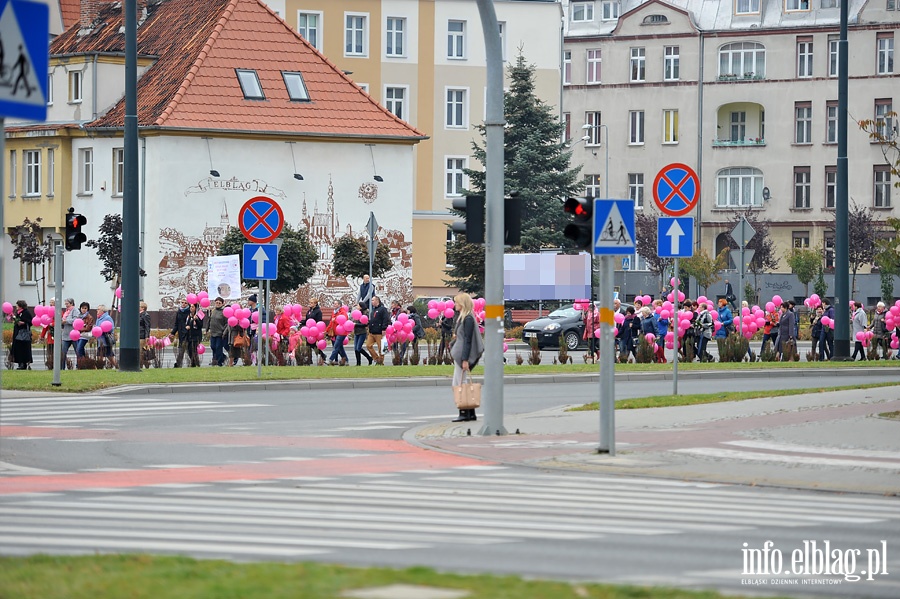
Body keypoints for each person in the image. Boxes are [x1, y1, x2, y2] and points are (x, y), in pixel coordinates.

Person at [450, 293, 481, 422]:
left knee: (459, 383)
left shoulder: (467, 319)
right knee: (461, 382)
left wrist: (465, 359)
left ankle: (464, 412)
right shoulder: (464, 318)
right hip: (461, 355)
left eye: (456, 302)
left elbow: (468, 340)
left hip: (462, 356)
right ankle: (470, 413)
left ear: (462, 304)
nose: (454, 305)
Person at [366, 296, 390, 365]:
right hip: (372, 331)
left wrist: (384, 328)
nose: (372, 302)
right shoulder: (373, 310)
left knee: (381, 348)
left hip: (379, 332)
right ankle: (376, 358)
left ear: (377, 301)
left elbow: (385, 319)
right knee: (368, 345)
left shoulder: (382, 309)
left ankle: (381, 362)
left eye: (373, 300)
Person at [10, 300, 33, 370]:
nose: (16, 307)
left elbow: (29, 322)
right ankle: (20, 362)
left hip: (23, 334)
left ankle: (23, 363)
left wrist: (23, 323)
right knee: (17, 348)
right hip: (17, 333)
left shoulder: (26, 312)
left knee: (23, 349)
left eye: (17, 305)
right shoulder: (18, 313)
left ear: (21, 306)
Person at [205, 297, 228, 366]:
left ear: (222, 304)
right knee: (213, 346)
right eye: (216, 303)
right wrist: (206, 329)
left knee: (218, 347)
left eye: (219, 303)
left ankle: (219, 361)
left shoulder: (224, 312)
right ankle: (219, 358)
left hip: (220, 333)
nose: (217, 304)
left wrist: (224, 332)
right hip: (213, 332)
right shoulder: (213, 311)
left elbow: (226, 323)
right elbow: (209, 321)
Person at [169, 298, 191, 367]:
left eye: (185, 303)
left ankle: (179, 364)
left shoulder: (190, 312)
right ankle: (179, 364)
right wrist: (173, 332)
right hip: (181, 333)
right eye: (182, 302)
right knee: (182, 349)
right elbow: (177, 324)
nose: (183, 304)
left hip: (188, 333)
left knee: (187, 350)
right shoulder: (179, 311)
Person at [306, 297, 327, 362]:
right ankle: (310, 359)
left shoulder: (318, 311)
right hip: (308, 330)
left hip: (314, 330)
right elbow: (307, 320)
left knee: (313, 345)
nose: (310, 304)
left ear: (315, 304)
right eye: (310, 302)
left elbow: (319, 321)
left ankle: (322, 355)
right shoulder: (309, 311)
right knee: (308, 345)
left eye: (312, 303)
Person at [60, 298, 76, 368]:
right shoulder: (66, 312)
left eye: (67, 304)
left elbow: (76, 320)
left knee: (77, 352)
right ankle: (61, 368)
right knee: (63, 353)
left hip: (73, 335)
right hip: (65, 335)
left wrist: (66, 321)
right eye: (65, 304)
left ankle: (80, 366)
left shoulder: (75, 311)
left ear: (71, 303)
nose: (66, 305)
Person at [139, 301, 152, 366]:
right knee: (139, 351)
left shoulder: (146, 315)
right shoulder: (137, 314)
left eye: (139, 306)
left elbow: (147, 326)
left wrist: (147, 336)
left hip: (142, 335)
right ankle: (145, 363)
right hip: (137, 335)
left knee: (141, 351)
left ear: (143, 308)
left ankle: (140, 364)